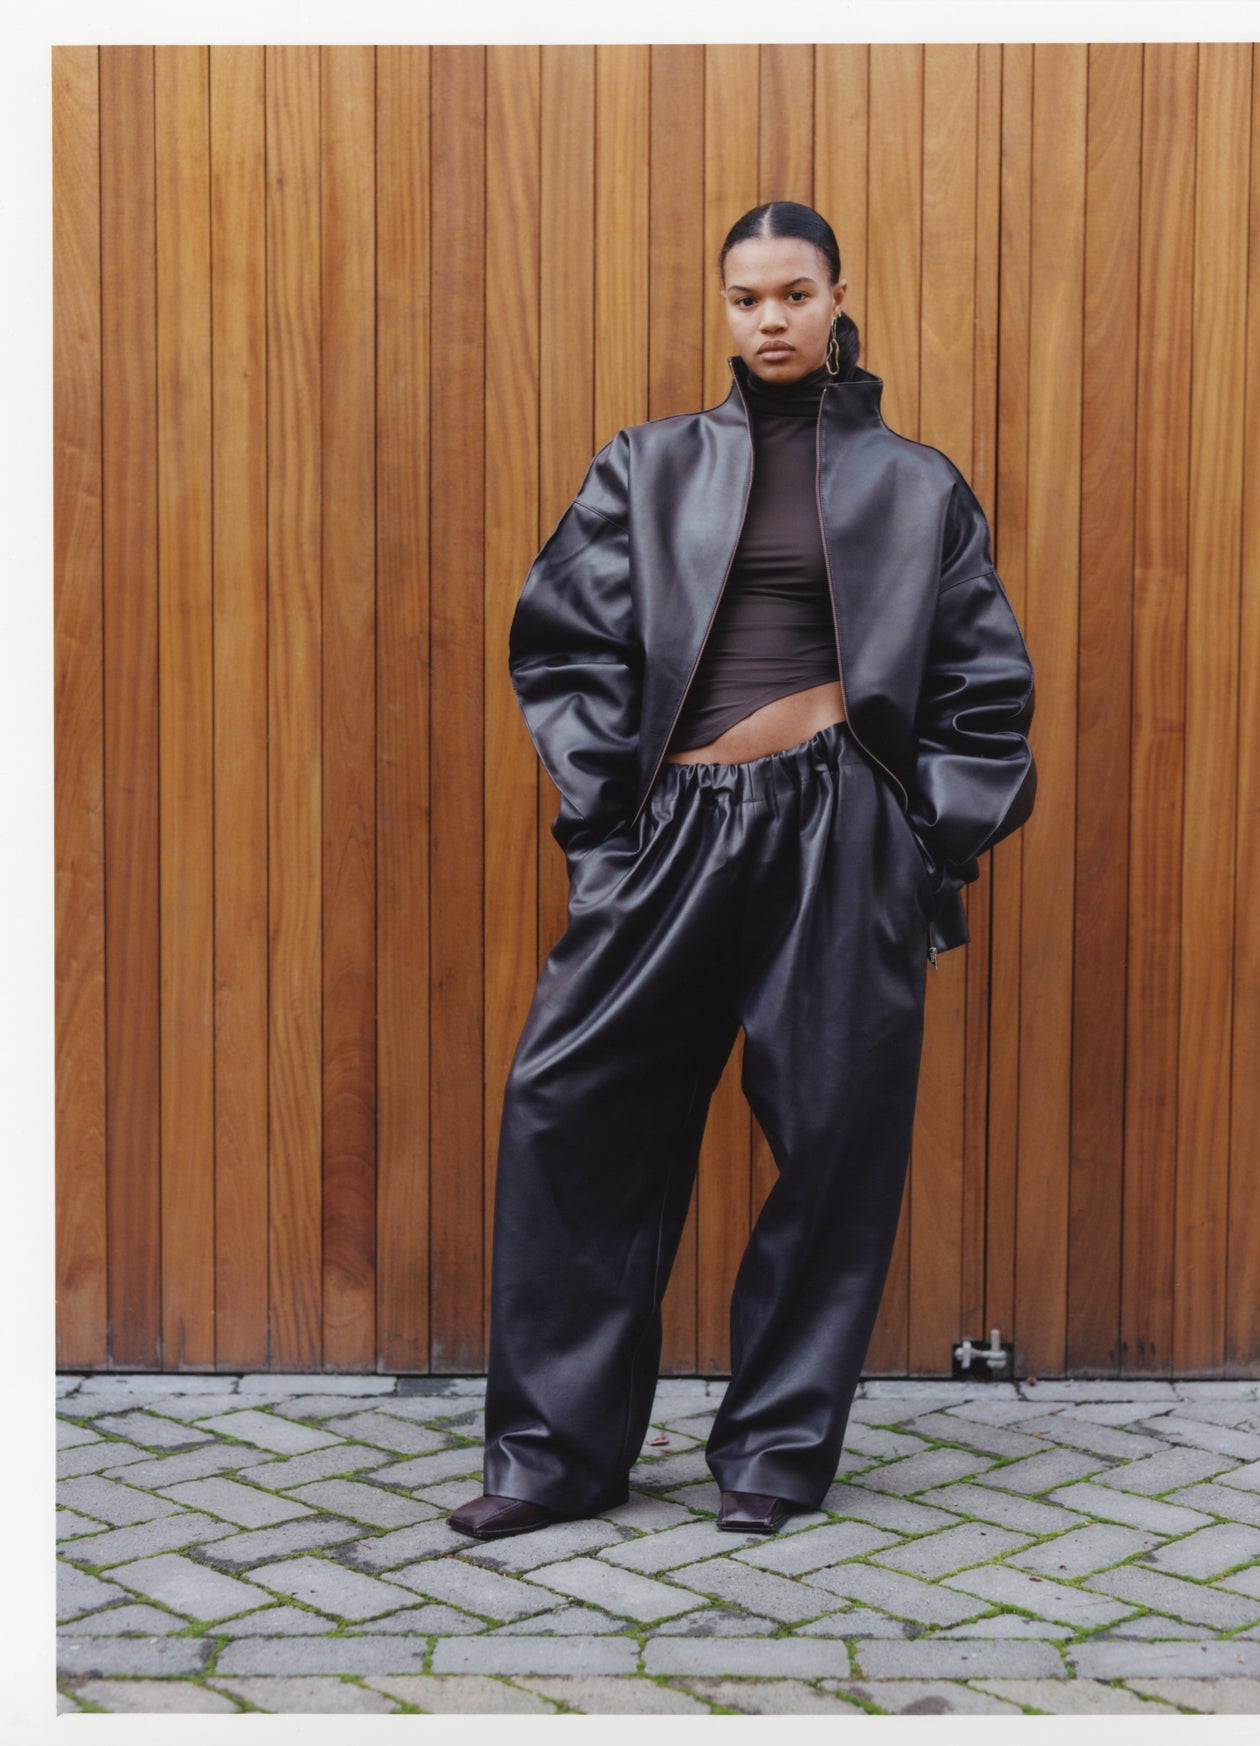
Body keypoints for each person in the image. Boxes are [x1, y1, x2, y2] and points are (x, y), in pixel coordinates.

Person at [446, 201, 1037, 1542]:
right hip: (672, 833)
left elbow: (983, 687)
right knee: (568, 1111)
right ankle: (554, 1457)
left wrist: (917, 842)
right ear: (724, 309)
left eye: (793, 294)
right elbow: (564, 647)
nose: (769, 318)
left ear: (836, 299)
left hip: (841, 830)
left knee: (835, 1142)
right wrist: (609, 830)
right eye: (745, 297)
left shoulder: (917, 486)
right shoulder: (646, 465)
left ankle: (773, 1449)